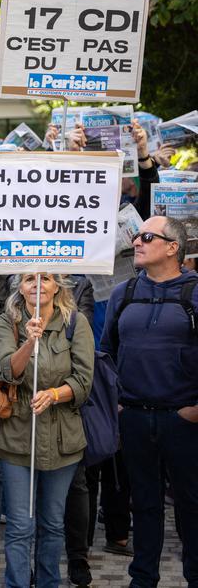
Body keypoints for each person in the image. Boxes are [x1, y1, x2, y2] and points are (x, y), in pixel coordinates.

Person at [100, 215, 198, 588]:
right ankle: (142, 579)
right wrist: (117, 403)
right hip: (135, 418)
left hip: (184, 420)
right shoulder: (123, 294)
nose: (136, 243)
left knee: (191, 505)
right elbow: (107, 352)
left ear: (173, 247)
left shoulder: (194, 292)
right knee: (143, 505)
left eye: (145, 237)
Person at [0, 273, 94, 588]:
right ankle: (17, 583)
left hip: (63, 439)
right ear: (20, 286)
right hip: (17, 437)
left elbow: (84, 381)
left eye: (45, 278)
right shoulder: (7, 321)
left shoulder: (75, 322)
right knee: (20, 525)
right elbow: (4, 370)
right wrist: (29, 341)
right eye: (28, 279)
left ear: (57, 285)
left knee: (52, 524)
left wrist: (54, 394)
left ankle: (49, 582)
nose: (36, 284)